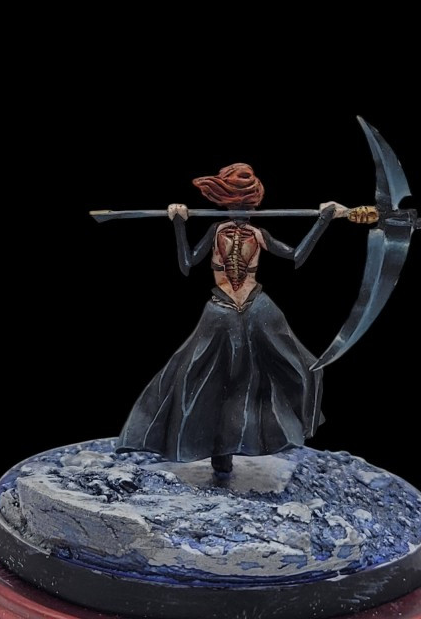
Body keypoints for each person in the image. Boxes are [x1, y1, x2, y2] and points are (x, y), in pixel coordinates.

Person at [116, 163, 345, 476]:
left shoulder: (258, 234)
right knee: (197, 375)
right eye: (236, 204)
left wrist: (323, 220)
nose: (242, 212)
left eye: (247, 206)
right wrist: (179, 224)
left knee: (299, 365)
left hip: (257, 307)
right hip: (220, 309)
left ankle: (272, 433)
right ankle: (214, 449)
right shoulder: (216, 231)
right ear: (224, 203)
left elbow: (295, 256)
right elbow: (187, 264)